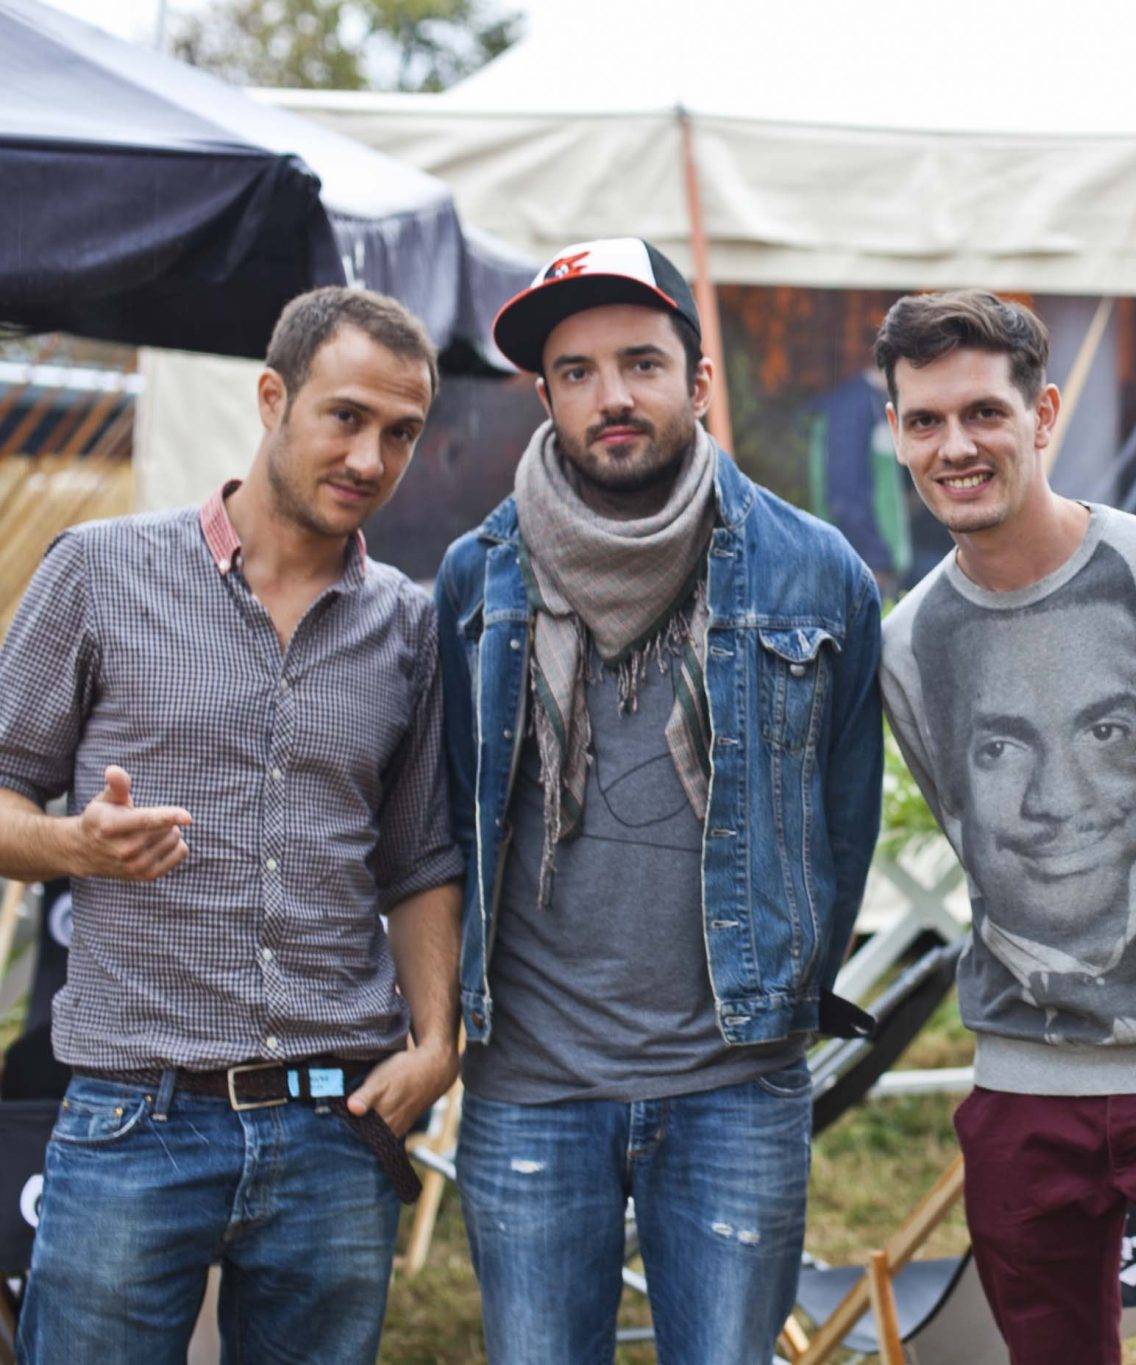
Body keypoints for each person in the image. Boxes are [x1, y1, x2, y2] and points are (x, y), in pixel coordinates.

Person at [437, 237, 882, 1364]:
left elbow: (843, 816)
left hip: (734, 1088)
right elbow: (447, 817)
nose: (612, 397)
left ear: (695, 380)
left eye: (640, 362)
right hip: (531, 1086)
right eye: (576, 373)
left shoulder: (814, 571)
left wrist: (779, 1000)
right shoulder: (474, 577)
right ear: (543, 397)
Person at [0, 287, 463, 1362]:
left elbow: (416, 856)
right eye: (344, 416)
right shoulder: (99, 573)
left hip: (336, 1128)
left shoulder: (408, 625)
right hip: (132, 1117)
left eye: (400, 434)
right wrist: (71, 846)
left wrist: (437, 1044)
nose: (369, 458)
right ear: (271, 398)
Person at [877, 290, 1136, 1364]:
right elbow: (980, 833)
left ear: (1043, 414)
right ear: (894, 432)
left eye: (981, 413)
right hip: (1026, 1079)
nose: (953, 445)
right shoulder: (907, 644)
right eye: (923, 421)